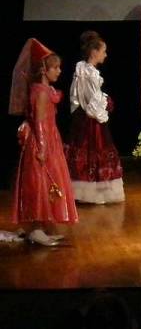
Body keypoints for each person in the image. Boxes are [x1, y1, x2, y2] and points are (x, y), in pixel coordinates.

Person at [9, 38, 78, 246]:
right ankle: (36, 228)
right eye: (55, 68)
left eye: (59, 67)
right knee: (39, 183)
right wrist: (41, 147)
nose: (59, 71)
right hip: (42, 142)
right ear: (43, 70)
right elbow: (39, 122)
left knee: (48, 182)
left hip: (49, 139)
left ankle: (44, 226)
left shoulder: (45, 91)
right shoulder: (40, 92)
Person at [65, 30, 124, 204]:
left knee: (88, 152)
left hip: (82, 118)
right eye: (103, 51)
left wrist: (102, 99)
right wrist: (107, 102)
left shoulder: (82, 69)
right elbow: (92, 102)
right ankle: (93, 194)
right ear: (94, 52)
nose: (105, 55)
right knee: (94, 151)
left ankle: (86, 192)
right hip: (90, 121)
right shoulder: (88, 73)